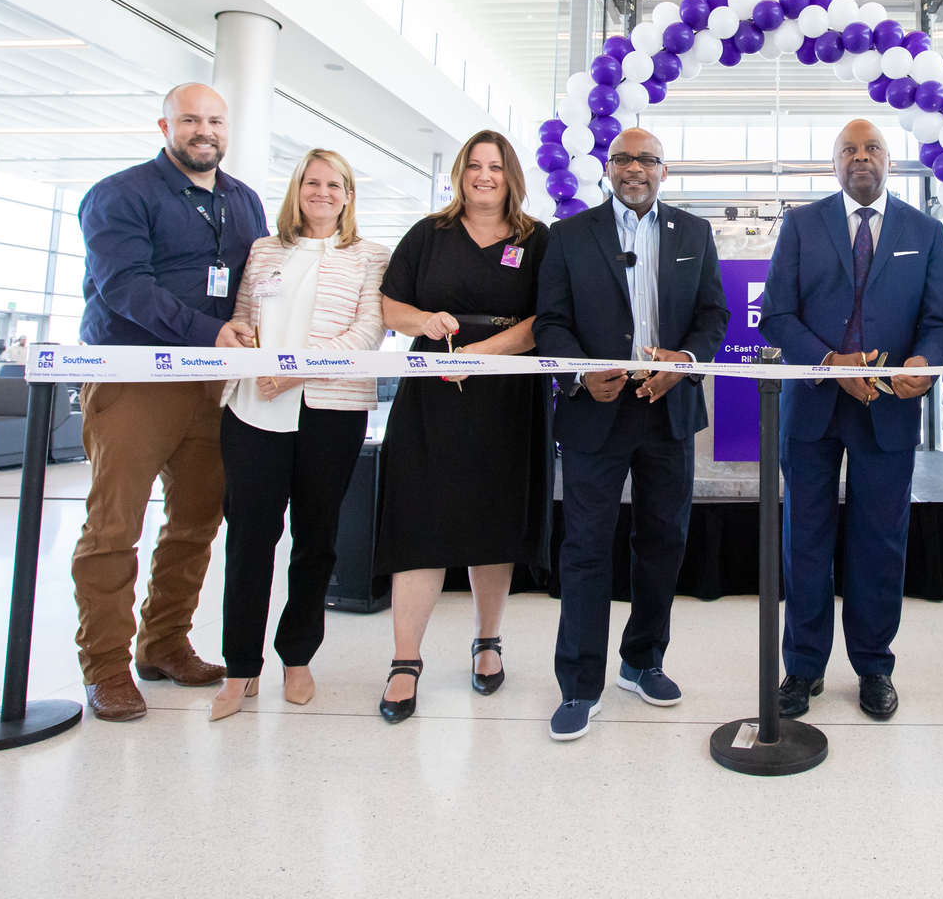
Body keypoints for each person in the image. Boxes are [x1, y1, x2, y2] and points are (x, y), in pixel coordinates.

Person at [71, 82, 268, 722]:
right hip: (136, 379)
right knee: (114, 526)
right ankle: (105, 666)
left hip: (214, 384)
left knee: (195, 522)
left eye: (215, 120)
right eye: (189, 119)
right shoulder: (120, 194)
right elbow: (125, 287)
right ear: (165, 126)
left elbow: (258, 282)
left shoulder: (243, 200)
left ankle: (164, 644)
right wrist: (209, 333)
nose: (203, 131)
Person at [533, 127, 727, 741]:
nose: (634, 168)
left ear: (664, 171)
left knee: (663, 541)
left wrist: (685, 364)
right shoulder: (568, 235)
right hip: (595, 410)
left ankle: (642, 661)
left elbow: (713, 315)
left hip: (667, 410)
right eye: (622, 158)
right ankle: (579, 683)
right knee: (586, 547)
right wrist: (581, 372)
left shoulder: (693, 233)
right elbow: (551, 322)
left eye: (646, 159)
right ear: (608, 168)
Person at [761, 119, 943, 721]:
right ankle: (803, 666)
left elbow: (939, 322)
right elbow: (776, 316)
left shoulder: (924, 232)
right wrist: (828, 363)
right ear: (835, 163)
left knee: (880, 543)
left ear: (889, 161)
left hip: (889, 409)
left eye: (873, 148)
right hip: (812, 407)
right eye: (849, 149)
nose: (861, 157)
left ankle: (874, 666)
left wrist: (925, 362)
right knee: (805, 540)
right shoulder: (802, 224)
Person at [376, 131, 552, 724]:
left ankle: (487, 640)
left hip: (507, 392)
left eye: (495, 166)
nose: (484, 176)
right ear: (460, 173)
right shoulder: (429, 234)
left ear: (511, 176)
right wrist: (425, 322)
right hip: (432, 390)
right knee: (419, 517)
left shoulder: (536, 239)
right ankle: (405, 661)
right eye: (474, 165)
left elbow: (545, 319)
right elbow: (390, 305)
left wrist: (481, 355)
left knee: (493, 517)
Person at [209, 149, 389, 722]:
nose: (322, 192)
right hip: (253, 408)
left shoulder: (371, 256)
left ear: (349, 195)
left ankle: (297, 657)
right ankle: (240, 667)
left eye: (334, 184)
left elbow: (368, 333)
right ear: (297, 188)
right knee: (249, 540)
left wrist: (297, 368)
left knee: (316, 539)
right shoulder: (264, 250)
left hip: (329, 410)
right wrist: (241, 335)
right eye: (312, 182)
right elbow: (242, 318)